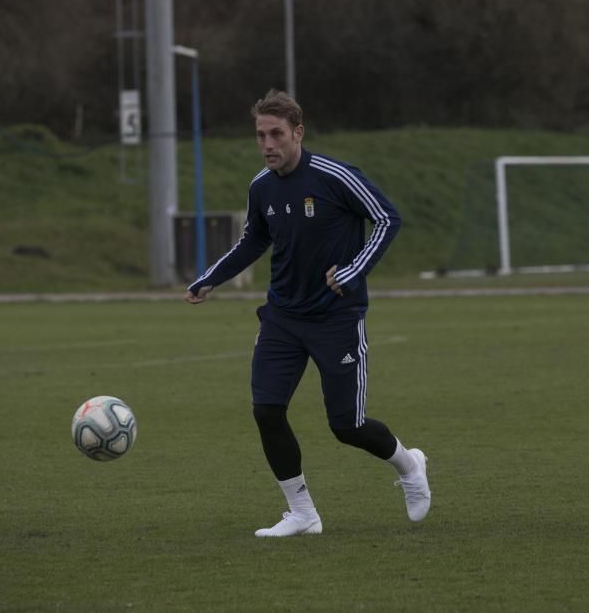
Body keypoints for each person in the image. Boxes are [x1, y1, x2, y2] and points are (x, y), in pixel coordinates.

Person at [185, 89, 431, 537]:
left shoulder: (335, 176)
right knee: (266, 410)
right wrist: (211, 277)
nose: (267, 145)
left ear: (298, 133)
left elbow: (387, 218)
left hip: (336, 318)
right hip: (282, 318)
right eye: (260, 135)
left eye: (276, 134)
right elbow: (253, 241)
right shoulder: (260, 187)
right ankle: (303, 513)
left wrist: (355, 269)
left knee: (347, 426)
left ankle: (409, 464)